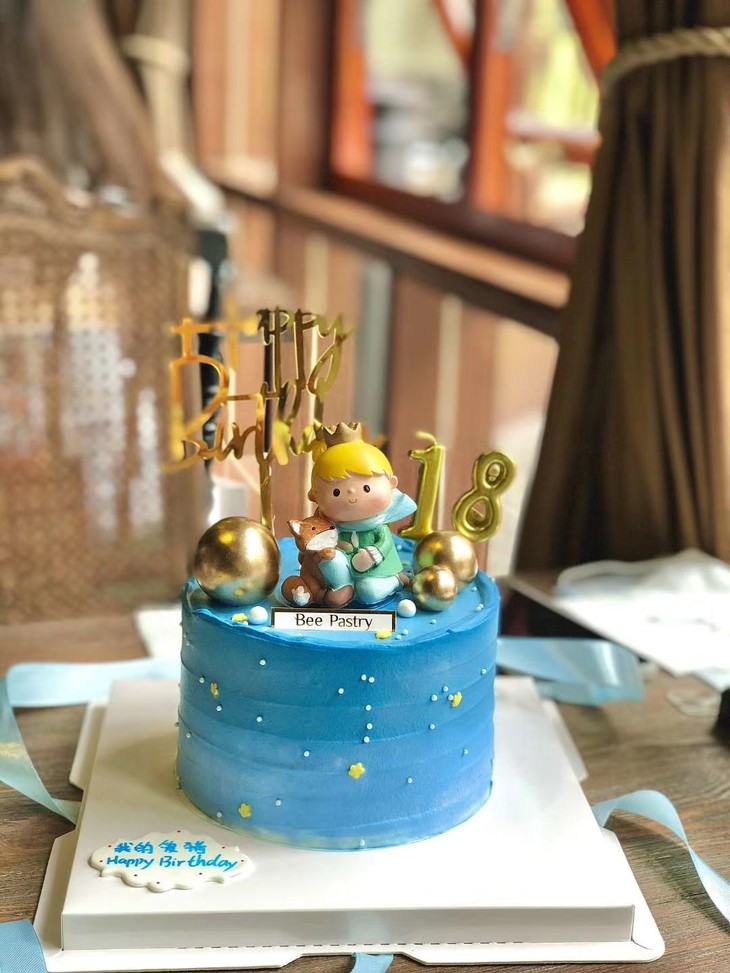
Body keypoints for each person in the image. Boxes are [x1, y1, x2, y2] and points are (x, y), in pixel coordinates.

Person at [309, 424, 416, 606]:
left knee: (369, 591)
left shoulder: (377, 526)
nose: (352, 497)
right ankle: (342, 589)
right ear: (315, 496)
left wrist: (372, 555)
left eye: (366, 488)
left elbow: (384, 543)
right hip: (343, 574)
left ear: (391, 484)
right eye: (336, 492)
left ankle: (396, 581)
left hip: (377, 570)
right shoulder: (329, 528)